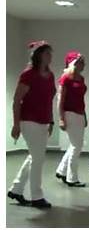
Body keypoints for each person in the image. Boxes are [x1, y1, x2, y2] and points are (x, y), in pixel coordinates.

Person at [8, 40, 56, 208]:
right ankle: (37, 196)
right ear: (38, 56)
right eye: (46, 53)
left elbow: (49, 100)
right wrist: (16, 124)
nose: (50, 56)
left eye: (50, 53)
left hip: (43, 121)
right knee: (38, 158)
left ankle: (16, 189)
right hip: (29, 121)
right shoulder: (28, 74)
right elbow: (16, 100)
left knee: (34, 157)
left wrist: (51, 120)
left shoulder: (50, 76)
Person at [55, 51, 88, 187]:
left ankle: (62, 170)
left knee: (75, 144)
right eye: (81, 62)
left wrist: (84, 116)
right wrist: (61, 118)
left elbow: (81, 99)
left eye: (83, 62)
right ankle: (72, 178)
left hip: (80, 113)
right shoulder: (65, 78)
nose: (83, 65)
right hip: (69, 114)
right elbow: (60, 100)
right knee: (77, 146)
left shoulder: (81, 78)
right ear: (73, 63)